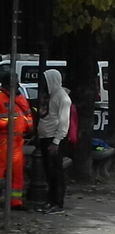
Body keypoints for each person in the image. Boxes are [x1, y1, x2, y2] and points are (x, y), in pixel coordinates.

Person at [37, 69, 71, 214]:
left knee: (56, 172)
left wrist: (56, 142)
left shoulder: (63, 98)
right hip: (46, 137)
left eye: (46, 80)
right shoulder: (51, 96)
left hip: (54, 139)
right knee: (49, 172)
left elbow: (64, 123)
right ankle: (50, 200)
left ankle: (58, 203)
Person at [0, 70, 33, 210]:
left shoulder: (18, 97)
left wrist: (29, 128)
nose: (17, 84)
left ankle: (15, 202)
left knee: (17, 173)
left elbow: (27, 115)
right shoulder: (1, 98)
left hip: (18, 140)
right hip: (4, 140)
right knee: (1, 170)